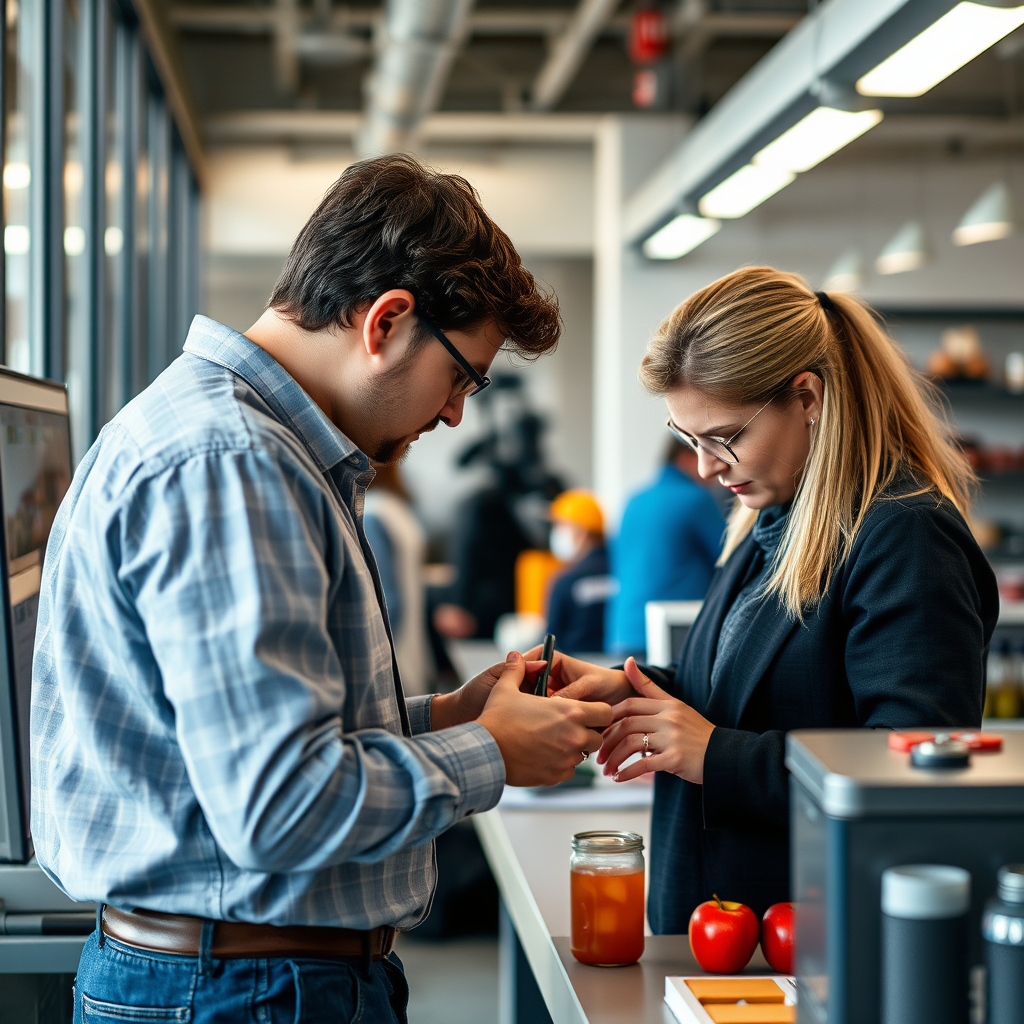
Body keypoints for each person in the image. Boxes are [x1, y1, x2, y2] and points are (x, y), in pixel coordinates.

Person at [31, 155, 613, 1024]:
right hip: (242, 991)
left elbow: (263, 754)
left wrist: (459, 713)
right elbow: (277, 807)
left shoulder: (245, 444)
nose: (456, 413)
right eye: (462, 375)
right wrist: (492, 753)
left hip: (239, 981)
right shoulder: (233, 463)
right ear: (386, 321)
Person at [542, 267, 999, 933]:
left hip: (812, 940)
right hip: (725, 931)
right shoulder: (771, 518)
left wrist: (716, 755)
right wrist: (630, 692)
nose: (705, 466)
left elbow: (912, 772)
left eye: (724, 436)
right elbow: (746, 693)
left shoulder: (903, 534)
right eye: (688, 439)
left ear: (807, 397)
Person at [606, 438, 725, 659]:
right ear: (685, 457)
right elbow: (730, 559)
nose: (717, 469)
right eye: (710, 455)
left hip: (624, 633)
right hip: (673, 635)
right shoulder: (695, 499)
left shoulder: (634, 500)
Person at [364, 463, 433, 696]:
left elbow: (387, 602)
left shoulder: (372, 512)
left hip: (395, 658)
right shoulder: (397, 508)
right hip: (416, 652)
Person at [546, 489, 616, 654]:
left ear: (581, 530)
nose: (556, 533)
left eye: (560, 525)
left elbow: (549, 644)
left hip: (574, 671)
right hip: (620, 668)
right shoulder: (624, 572)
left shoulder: (566, 580)